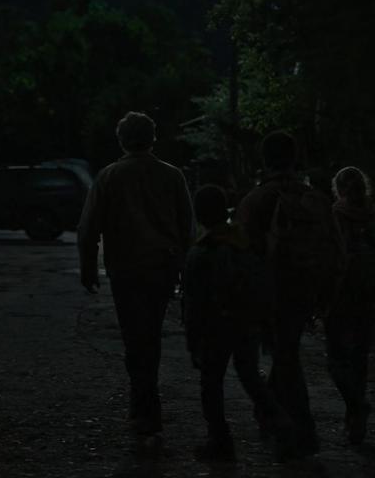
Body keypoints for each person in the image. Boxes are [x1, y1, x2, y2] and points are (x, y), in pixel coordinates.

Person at [77, 111, 195, 447]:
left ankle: (143, 406)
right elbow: (187, 227)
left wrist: (88, 267)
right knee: (152, 334)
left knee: (134, 336)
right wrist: (187, 271)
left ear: (122, 140)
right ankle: (147, 405)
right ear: (152, 138)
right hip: (162, 267)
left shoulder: (110, 176)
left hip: (126, 269)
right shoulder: (171, 176)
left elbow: (88, 228)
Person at [235, 130, 343, 458]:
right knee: (287, 351)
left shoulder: (256, 200)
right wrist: (326, 295)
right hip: (306, 289)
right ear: (295, 158)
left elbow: (241, 253)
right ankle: (274, 417)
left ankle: (300, 429)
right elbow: (337, 251)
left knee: (286, 357)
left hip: (269, 291)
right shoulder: (317, 200)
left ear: (264, 160)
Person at [182, 184, 293, 461]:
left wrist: (192, 340)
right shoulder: (243, 244)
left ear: (199, 214)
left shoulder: (201, 252)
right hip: (246, 323)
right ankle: (283, 425)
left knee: (211, 383)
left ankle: (219, 439)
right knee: (251, 376)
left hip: (215, 328)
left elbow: (193, 305)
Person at [324, 166, 375, 445]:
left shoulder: (333, 219)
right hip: (370, 297)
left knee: (336, 360)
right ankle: (355, 420)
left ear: (338, 190)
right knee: (359, 359)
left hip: (340, 297)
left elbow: (326, 259)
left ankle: (356, 406)